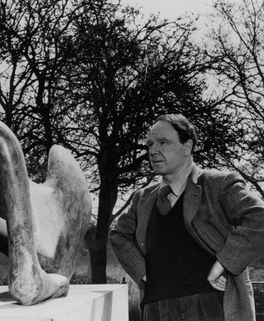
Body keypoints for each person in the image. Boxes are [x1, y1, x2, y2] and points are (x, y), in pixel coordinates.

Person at [109, 114, 264, 321]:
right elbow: (118, 235)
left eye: (163, 142)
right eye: (150, 144)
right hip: (154, 310)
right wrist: (144, 273)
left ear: (187, 146)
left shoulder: (217, 185)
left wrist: (223, 264)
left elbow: (259, 217)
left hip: (211, 309)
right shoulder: (143, 198)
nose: (153, 150)